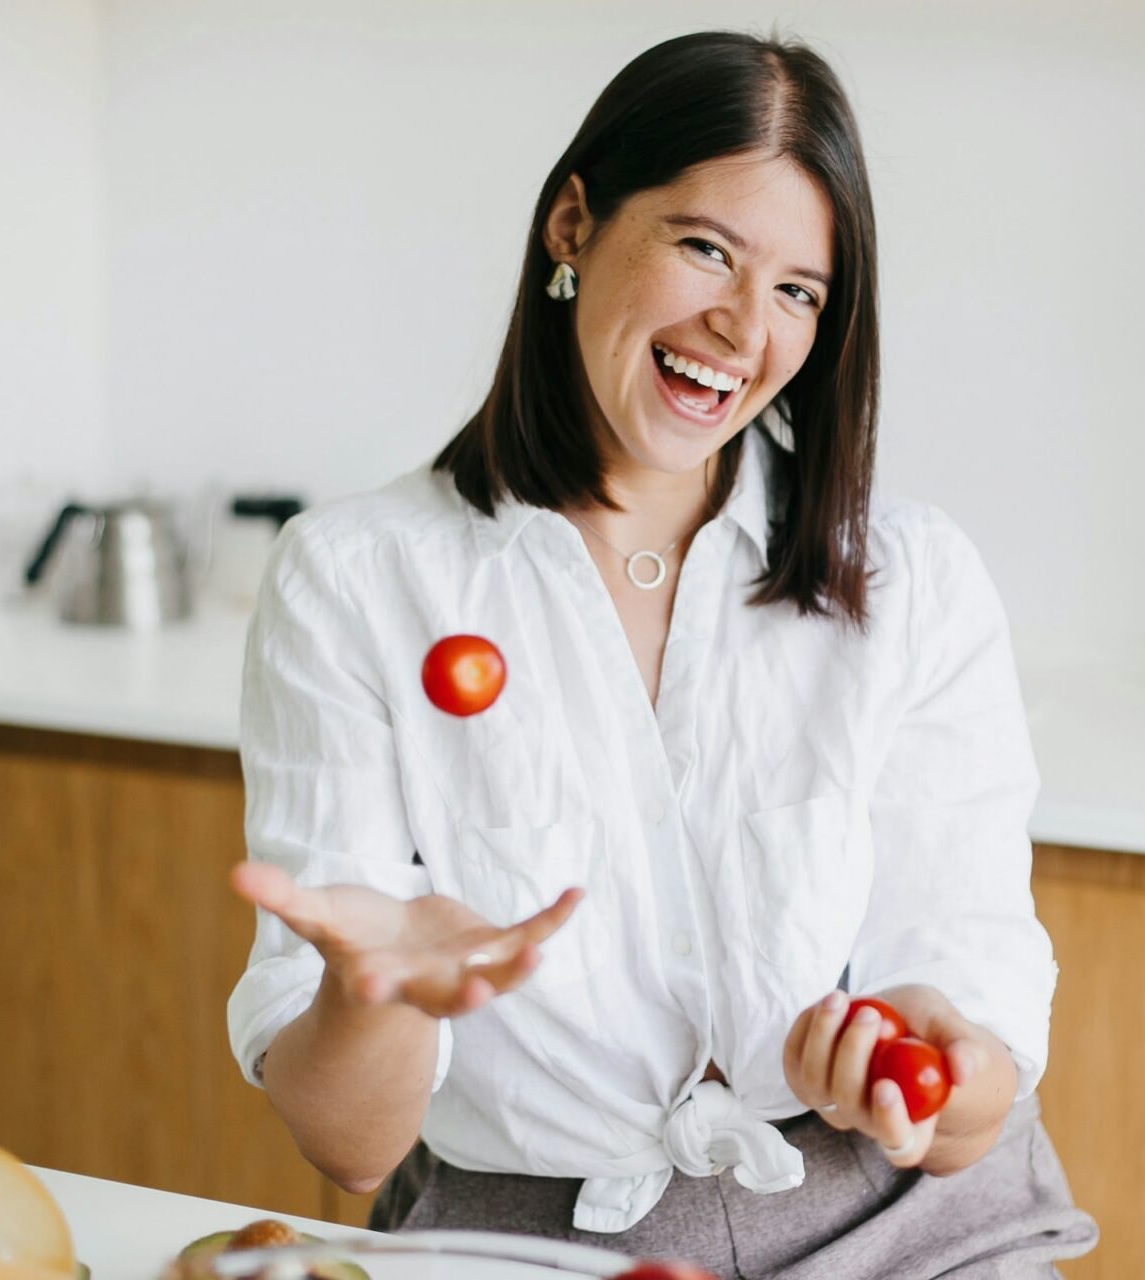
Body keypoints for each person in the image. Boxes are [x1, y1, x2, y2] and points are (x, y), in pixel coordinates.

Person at [225, 29, 1098, 1279]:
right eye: (707, 248)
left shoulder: (909, 577)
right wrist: (377, 995)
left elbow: (969, 1047)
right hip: (528, 1238)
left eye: (799, 290)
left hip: (903, 1228)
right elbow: (350, 1150)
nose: (743, 328)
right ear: (573, 224)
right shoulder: (357, 578)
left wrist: (926, 1066)